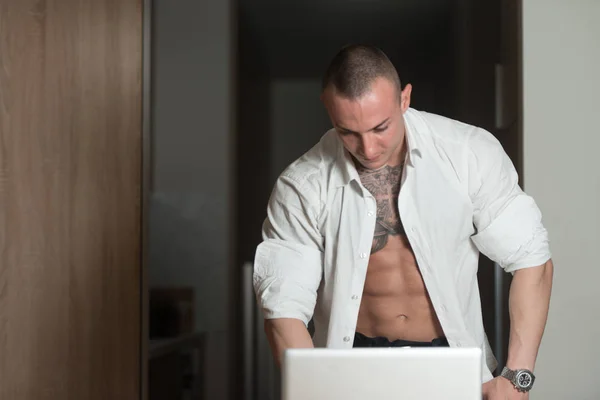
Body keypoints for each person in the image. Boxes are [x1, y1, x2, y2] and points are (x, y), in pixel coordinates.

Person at [252, 44, 553, 399]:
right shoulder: (302, 186)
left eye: (381, 127)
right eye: (347, 131)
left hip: (452, 363)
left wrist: (517, 378)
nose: (368, 148)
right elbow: (283, 308)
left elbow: (532, 259)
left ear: (404, 99)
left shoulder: (467, 153)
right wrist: (313, 391)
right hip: (351, 368)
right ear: (328, 108)